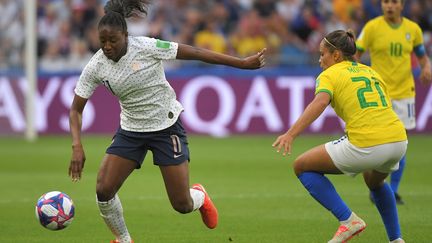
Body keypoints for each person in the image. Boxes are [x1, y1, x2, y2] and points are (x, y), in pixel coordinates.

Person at [68, 1, 266, 243]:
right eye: (103, 42)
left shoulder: (147, 47)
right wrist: (77, 145)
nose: (108, 47)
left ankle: (200, 197)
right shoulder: (96, 66)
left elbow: (197, 52)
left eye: (113, 41)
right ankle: (124, 239)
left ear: (126, 35)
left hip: (166, 127)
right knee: (103, 189)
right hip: (131, 130)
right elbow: (76, 109)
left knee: (181, 204)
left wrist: (242, 63)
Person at [273, 30, 407, 243]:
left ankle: (348, 221)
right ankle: (396, 239)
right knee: (374, 181)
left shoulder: (330, 74)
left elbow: (319, 103)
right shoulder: (370, 71)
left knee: (302, 166)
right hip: (399, 141)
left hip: (367, 143)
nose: (319, 60)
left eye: (322, 54)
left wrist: (291, 133)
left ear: (336, 55)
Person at [355, 0, 432, 204]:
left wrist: (426, 67)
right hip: (378, 93)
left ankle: (393, 190)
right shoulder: (372, 27)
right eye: (386, 2)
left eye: (394, 2)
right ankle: (376, 186)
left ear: (401, 5)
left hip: (405, 92)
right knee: (377, 141)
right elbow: (356, 54)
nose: (389, 6)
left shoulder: (412, 29)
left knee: (401, 143)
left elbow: (422, 56)